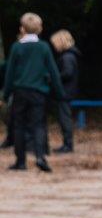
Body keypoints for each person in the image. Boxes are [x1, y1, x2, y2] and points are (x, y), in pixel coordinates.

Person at [3, 13, 64, 172]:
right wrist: (60, 93)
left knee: (19, 125)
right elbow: (53, 71)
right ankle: (40, 157)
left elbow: (10, 73)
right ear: (40, 29)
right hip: (38, 92)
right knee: (38, 125)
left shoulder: (17, 47)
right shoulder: (44, 47)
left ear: (22, 29)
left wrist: (5, 94)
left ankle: (20, 161)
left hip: (20, 91)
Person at [50, 29, 80, 154]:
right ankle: (67, 144)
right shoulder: (69, 55)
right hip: (67, 91)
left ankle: (68, 145)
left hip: (65, 92)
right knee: (64, 118)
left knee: (64, 119)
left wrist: (53, 77)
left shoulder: (67, 57)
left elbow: (67, 73)